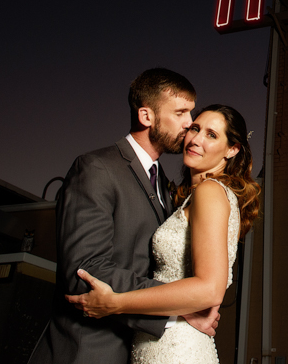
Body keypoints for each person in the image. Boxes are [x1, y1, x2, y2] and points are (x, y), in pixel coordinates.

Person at [29, 68, 220, 364]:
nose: (189, 123)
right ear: (146, 116)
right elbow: (85, 271)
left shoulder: (163, 184)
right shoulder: (97, 168)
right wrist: (177, 307)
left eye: (191, 112)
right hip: (89, 351)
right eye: (181, 112)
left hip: (141, 351)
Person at [66, 104, 261, 364]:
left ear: (232, 149)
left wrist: (117, 303)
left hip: (177, 348)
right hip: (158, 341)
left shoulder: (210, 192)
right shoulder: (190, 197)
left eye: (212, 135)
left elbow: (209, 289)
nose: (196, 140)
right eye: (195, 128)